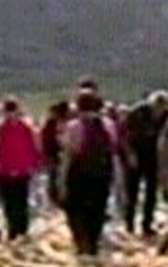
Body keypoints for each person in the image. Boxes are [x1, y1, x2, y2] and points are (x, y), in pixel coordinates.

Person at [58, 90, 116, 256]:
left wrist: (62, 181)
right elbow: (112, 149)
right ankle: (93, 243)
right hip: (102, 174)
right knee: (97, 209)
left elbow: (68, 155)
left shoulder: (73, 126)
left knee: (75, 208)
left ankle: (80, 242)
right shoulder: (108, 125)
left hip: (79, 174)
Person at [0, 97, 41, 241]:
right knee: (19, 200)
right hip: (18, 168)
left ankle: (16, 230)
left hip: (8, 168)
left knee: (12, 201)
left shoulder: (0, 125)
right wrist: (36, 162)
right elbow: (37, 144)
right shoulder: (26, 124)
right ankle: (19, 230)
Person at [122, 91, 168, 236]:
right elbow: (124, 134)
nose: (159, 112)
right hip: (136, 153)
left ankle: (147, 224)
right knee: (132, 191)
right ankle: (129, 223)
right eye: (157, 108)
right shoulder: (136, 112)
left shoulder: (165, 115)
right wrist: (130, 153)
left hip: (154, 155)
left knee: (151, 192)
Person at [40, 100, 70, 207]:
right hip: (53, 154)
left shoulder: (57, 123)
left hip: (56, 153)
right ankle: (55, 199)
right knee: (54, 177)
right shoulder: (51, 123)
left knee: (56, 176)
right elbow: (45, 139)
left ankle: (58, 199)